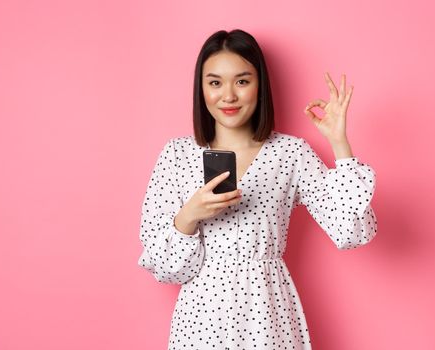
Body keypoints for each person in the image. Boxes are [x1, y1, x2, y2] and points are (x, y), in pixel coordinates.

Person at [138, 28, 377, 350]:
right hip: (200, 319)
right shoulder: (177, 155)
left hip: (267, 313)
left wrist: (339, 143)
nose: (228, 96)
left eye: (242, 81)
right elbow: (167, 269)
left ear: (259, 85)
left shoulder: (290, 153)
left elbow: (352, 232)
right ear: (201, 89)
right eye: (215, 82)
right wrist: (188, 217)